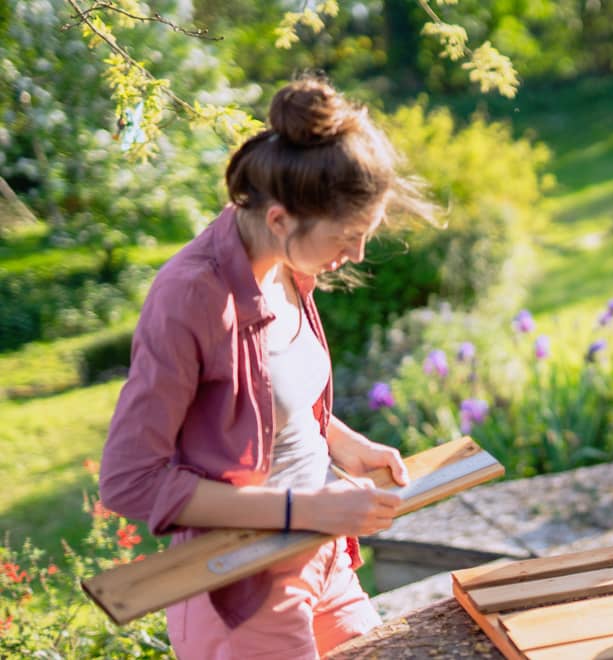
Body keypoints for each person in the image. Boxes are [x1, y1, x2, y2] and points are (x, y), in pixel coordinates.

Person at [99, 77, 434, 658]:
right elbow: (131, 479)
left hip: (323, 553)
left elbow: (263, 394)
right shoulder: (190, 297)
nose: (355, 255)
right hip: (244, 584)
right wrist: (305, 507)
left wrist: (338, 441)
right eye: (349, 237)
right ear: (279, 218)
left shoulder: (287, 263)